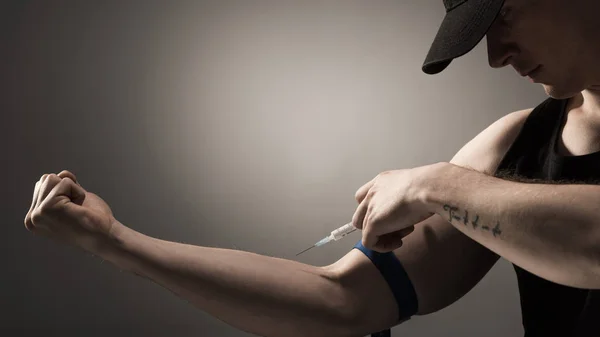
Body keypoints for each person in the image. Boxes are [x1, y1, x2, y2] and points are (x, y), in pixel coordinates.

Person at [23, 0, 600, 336]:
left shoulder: (468, 181)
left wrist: (438, 184)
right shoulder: (518, 144)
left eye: (502, 15)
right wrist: (116, 242)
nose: (497, 54)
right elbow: (343, 298)